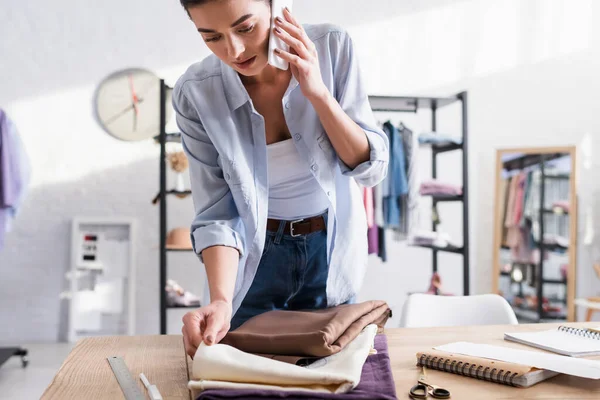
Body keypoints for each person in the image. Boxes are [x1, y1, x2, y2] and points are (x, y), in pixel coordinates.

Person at [173, 0, 389, 358]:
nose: (234, 51)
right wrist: (222, 300)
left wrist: (317, 92)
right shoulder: (196, 93)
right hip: (253, 258)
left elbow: (370, 169)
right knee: (243, 382)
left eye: (245, 28)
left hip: (328, 249)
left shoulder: (333, 47)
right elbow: (217, 212)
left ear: (279, 6)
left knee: (334, 376)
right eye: (211, 37)